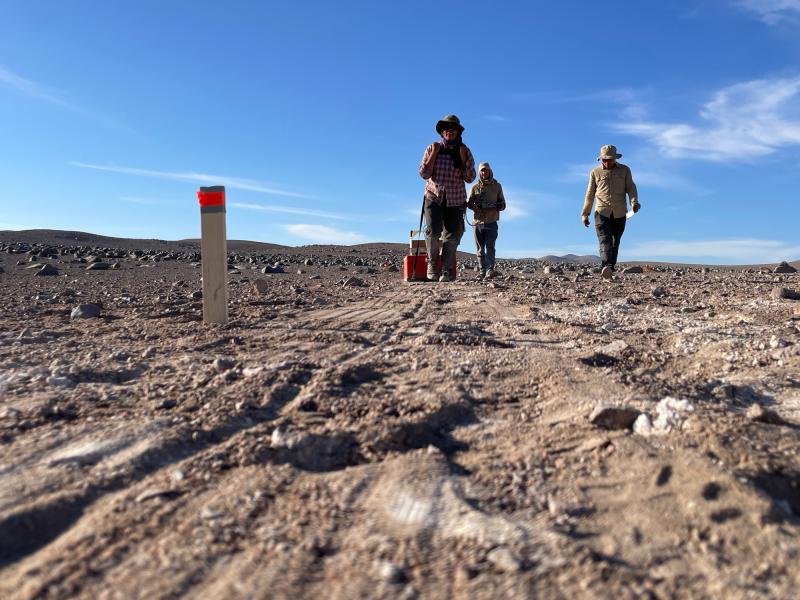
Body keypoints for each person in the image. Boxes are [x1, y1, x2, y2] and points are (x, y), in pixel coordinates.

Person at [418, 114, 476, 281]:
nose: (449, 131)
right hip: (434, 196)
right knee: (433, 232)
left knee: (452, 236)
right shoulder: (432, 147)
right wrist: (434, 154)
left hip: (455, 198)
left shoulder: (464, 150)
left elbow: (470, 178)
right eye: (446, 128)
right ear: (442, 131)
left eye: (453, 128)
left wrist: (464, 159)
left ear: (458, 132)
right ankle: (432, 265)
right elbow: (424, 173)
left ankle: (446, 268)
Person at [581, 144, 640, 279]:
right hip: (601, 211)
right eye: (604, 160)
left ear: (615, 158)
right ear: (601, 160)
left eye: (610, 159)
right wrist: (585, 213)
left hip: (620, 212)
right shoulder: (595, 172)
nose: (607, 162)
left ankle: (610, 268)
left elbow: (631, 187)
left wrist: (634, 202)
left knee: (615, 241)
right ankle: (606, 266)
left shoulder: (625, 170)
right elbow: (589, 194)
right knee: (604, 239)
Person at [467, 162, 506, 278]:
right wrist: (475, 207)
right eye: (482, 171)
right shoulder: (475, 187)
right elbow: (469, 203)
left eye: (486, 170)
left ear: (490, 171)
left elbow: (503, 204)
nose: (484, 173)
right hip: (478, 222)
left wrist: (498, 206)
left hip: (492, 221)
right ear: (479, 173)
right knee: (480, 248)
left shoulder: (497, 186)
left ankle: (490, 269)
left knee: (490, 246)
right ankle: (482, 270)